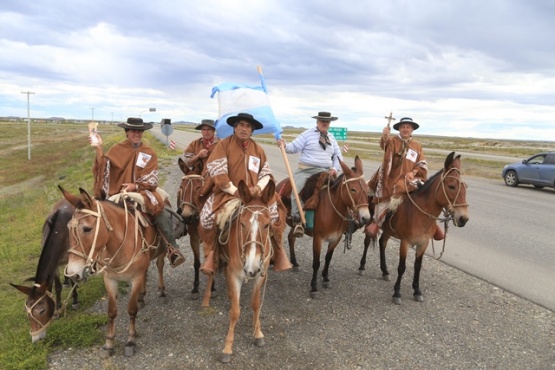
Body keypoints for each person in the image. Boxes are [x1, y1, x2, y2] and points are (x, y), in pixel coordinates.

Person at [198, 113, 291, 275]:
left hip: (257, 195)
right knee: (208, 218)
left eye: (248, 126)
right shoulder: (223, 145)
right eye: (241, 125)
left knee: (276, 215)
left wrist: (259, 188)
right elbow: (218, 172)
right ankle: (213, 254)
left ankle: (277, 250)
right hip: (228, 193)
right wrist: (235, 191)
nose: (244, 129)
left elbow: (266, 174)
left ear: (252, 130)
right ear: (234, 128)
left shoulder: (258, 149)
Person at [90, 117, 186, 267]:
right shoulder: (116, 149)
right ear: (127, 132)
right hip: (118, 191)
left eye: (139, 131)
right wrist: (98, 149)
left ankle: (172, 247)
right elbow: (103, 167)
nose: (137, 134)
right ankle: (93, 256)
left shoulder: (149, 152)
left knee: (158, 208)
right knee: (95, 213)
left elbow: (152, 177)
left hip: (143, 190)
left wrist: (134, 186)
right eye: (134, 131)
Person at [366, 117, 443, 240]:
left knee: (426, 195)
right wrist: (385, 136)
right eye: (403, 127)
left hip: (411, 179)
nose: (405, 129)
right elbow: (384, 145)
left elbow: (422, 163)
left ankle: (432, 224)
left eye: (408, 127)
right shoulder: (393, 141)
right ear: (399, 129)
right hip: (392, 178)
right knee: (386, 195)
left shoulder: (417, 145)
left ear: (412, 129)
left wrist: (414, 171)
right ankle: (377, 222)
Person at [276, 111, 343, 237]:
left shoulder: (332, 138)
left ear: (329, 123)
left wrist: (335, 168)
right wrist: (284, 145)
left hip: (326, 172)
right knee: (296, 192)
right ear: (317, 121)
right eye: (322, 120)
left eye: (327, 121)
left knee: (341, 192)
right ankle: (297, 220)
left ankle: (344, 222)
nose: (324, 123)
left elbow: (338, 157)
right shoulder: (307, 134)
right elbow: (293, 147)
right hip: (306, 171)